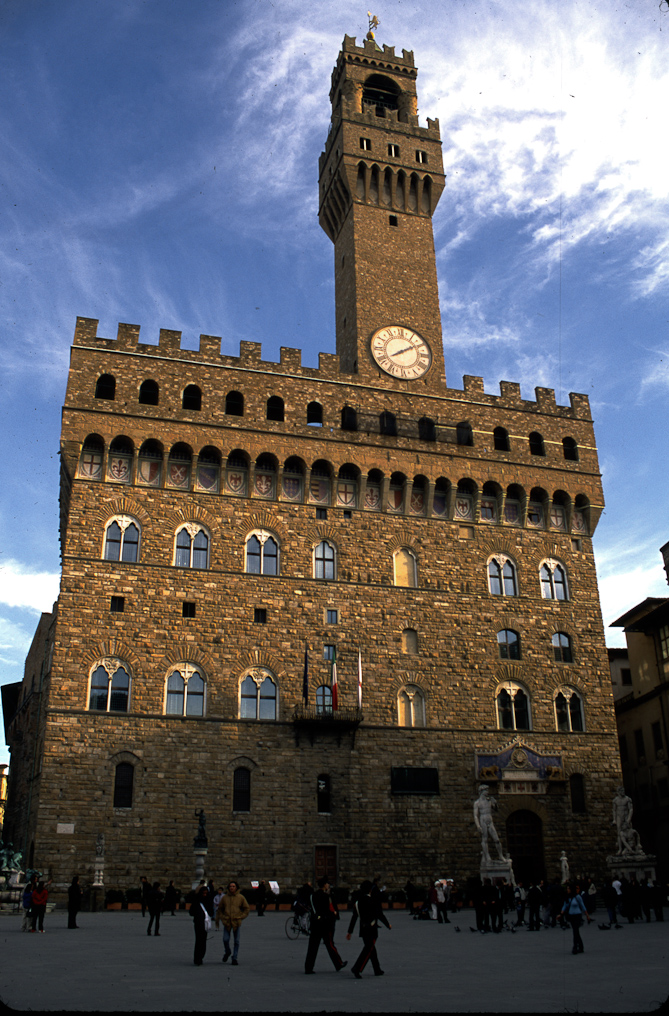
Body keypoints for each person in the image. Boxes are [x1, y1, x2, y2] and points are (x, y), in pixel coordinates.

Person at [346, 879, 391, 978]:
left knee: (371, 948)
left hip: (363, 928)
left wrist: (350, 931)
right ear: (370, 890)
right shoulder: (372, 901)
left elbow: (354, 917)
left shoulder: (358, 902)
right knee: (369, 949)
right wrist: (387, 924)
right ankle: (357, 968)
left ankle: (377, 969)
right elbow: (379, 914)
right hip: (372, 928)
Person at [304, 877, 347, 974]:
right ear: (324, 885)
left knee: (313, 946)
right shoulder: (326, 896)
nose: (328, 885)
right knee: (330, 944)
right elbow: (328, 910)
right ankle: (338, 963)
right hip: (325, 924)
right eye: (327, 884)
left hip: (315, 924)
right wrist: (334, 914)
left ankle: (308, 967)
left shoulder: (313, 895)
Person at [217, 880, 250, 965]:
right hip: (227, 922)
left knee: (236, 941)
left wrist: (241, 917)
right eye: (230, 886)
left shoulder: (240, 897)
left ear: (236, 888)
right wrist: (223, 918)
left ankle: (234, 957)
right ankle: (227, 951)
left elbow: (247, 909)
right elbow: (220, 909)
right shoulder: (224, 898)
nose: (232, 888)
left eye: (233, 886)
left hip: (236, 922)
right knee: (225, 939)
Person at [473, 785, 508, 863]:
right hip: (483, 820)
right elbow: (475, 815)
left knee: (497, 839)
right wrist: (478, 826)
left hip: (490, 820)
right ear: (482, 791)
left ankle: (501, 856)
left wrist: (495, 803)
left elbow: (496, 809)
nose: (488, 792)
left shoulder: (489, 800)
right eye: (486, 790)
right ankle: (487, 856)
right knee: (484, 839)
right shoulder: (477, 803)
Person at [562, 883, 591, 953]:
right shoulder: (567, 897)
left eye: (568, 889)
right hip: (571, 916)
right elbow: (565, 906)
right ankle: (581, 946)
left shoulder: (577, 897)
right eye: (567, 889)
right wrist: (561, 914)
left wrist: (587, 915)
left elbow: (582, 906)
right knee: (576, 931)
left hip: (577, 915)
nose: (567, 890)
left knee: (575, 931)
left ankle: (575, 946)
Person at [191, 885, 211, 966]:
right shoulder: (197, 901)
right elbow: (191, 912)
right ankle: (197, 958)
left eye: (206, 893)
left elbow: (211, 912)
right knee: (199, 940)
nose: (205, 895)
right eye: (203, 893)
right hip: (198, 923)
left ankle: (200, 956)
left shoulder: (208, 901)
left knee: (203, 940)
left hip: (205, 924)